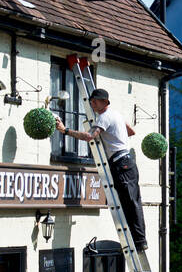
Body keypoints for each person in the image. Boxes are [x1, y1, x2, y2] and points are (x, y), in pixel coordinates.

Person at [55, 87, 147, 251]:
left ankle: (139, 242)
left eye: (95, 101)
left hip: (121, 163)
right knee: (132, 201)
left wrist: (65, 130)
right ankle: (139, 240)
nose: (92, 104)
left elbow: (89, 136)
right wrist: (114, 137)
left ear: (105, 101)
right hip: (127, 162)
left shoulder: (104, 117)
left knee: (129, 203)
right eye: (91, 102)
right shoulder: (116, 115)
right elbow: (131, 131)